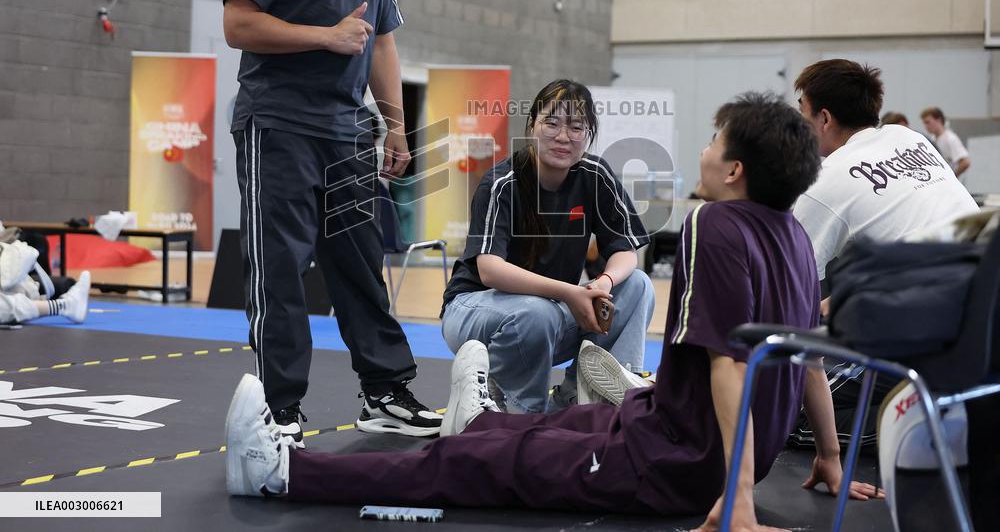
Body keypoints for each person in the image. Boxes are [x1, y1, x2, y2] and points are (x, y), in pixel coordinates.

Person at [224, 92, 882, 530]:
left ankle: (281, 473)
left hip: (677, 465)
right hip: (667, 431)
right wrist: (830, 454)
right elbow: (808, 362)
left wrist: (736, 503)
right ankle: (482, 420)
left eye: (714, 141)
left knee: (472, 467)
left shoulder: (713, 224)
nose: (704, 150)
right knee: (541, 427)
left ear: (733, 170)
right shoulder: (794, 235)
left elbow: (730, 367)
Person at [221, 0, 440, 442]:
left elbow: (382, 42)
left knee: (361, 265)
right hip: (279, 124)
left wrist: (397, 128)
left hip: (348, 134)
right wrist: (324, 36)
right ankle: (280, 409)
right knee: (281, 269)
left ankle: (385, 391)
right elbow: (239, 25)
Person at [440, 79, 656, 413]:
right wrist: (571, 293)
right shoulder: (502, 182)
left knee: (638, 285)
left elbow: (626, 251)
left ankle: (587, 394)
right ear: (531, 126)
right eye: (551, 123)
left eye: (576, 126)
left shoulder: (595, 175)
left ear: (589, 134)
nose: (563, 136)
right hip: (475, 311)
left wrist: (603, 283)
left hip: (551, 313)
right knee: (535, 312)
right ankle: (519, 407)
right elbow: (489, 269)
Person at [793, 60, 978, 294]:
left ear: (825, 119)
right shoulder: (911, 138)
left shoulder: (826, 178)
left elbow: (794, 280)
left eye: (802, 112)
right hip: (985, 280)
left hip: (935, 303)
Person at [920, 106, 971, 178]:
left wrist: (951, 177)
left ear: (938, 120)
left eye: (928, 122)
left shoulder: (950, 138)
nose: (926, 126)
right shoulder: (933, 139)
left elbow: (965, 162)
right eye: (924, 123)